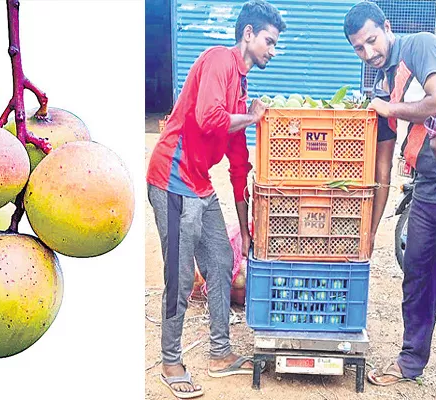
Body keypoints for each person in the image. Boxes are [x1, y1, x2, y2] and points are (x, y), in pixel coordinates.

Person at [146, 0, 285, 397]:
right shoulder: (218, 60)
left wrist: (246, 230)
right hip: (172, 179)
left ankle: (220, 352)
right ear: (248, 34)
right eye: (269, 42)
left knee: (223, 260)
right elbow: (208, 117)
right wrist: (253, 118)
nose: (272, 52)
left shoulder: (241, 92)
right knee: (181, 274)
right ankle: (171, 361)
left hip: (200, 185)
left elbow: (239, 168)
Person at [343, 1, 436, 386]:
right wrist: (370, 230)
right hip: (428, 188)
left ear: (387, 27)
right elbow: (382, 168)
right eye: (358, 48)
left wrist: (389, 107)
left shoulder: (420, 44)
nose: (369, 53)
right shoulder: (381, 85)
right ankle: (410, 362)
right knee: (417, 274)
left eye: (371, 40)